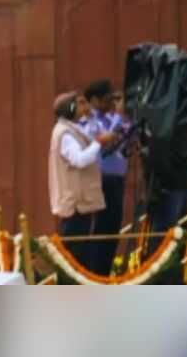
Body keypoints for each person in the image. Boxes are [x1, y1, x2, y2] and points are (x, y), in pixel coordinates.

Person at [49, 90, 116, 268]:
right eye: (80, 103)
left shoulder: (72, 128)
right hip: (75, 205)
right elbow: (79, 160)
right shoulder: (65, 134)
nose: (85, 107)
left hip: (81, 204)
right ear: (70, 108)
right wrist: (99, 142)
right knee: (74, 256)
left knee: (82, 254)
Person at [80, 80, 131, 275]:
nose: (112, 103)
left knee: (112, 232)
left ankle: (105, 272)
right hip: (100, 181)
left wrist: (124, 117)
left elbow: (126, 136)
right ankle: (94, 273)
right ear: (94, 100)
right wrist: (118, 116)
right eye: (108, 99)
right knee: (100, 232)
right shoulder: (89, 122)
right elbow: (105, 142)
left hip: (117, 181)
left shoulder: (112, 119)